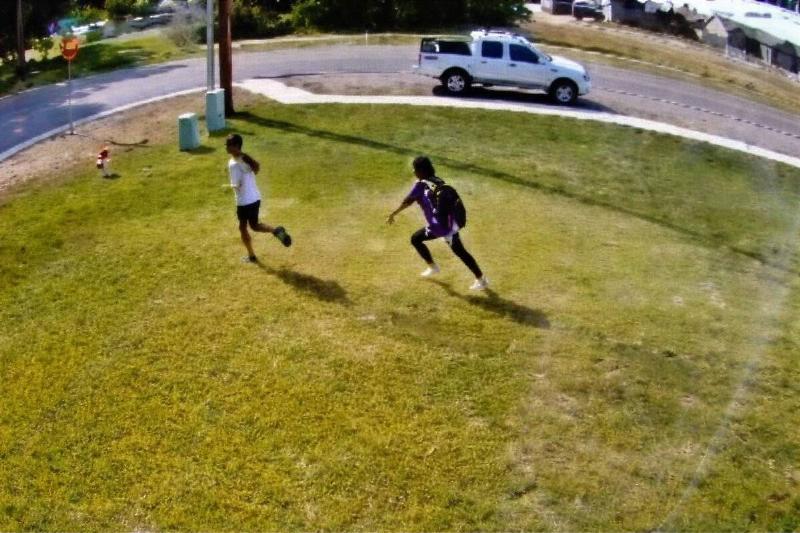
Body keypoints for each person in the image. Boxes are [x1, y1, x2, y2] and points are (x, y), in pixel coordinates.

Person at [387, 156, 488, 290]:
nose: (413, 171)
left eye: (415, 169)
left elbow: (408, 201)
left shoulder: (421, 185)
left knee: (417, 239)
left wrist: (394, 213)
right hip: (448, 224)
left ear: (421, 171)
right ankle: (480, 279)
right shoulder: (437, 180)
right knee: (458, 251)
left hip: (442, 227)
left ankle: (436, 268)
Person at [223, 133, 291, 263]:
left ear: (236, 146)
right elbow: (256, 168)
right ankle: (276, 231)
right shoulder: (244, 159)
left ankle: (251, 256)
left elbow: (237, 185)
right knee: (254, 225)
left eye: (228, 145)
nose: (226, 147)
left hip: (243, 202)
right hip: (255, 198)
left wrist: (232, 185)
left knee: (243, 227)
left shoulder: (234, 163)